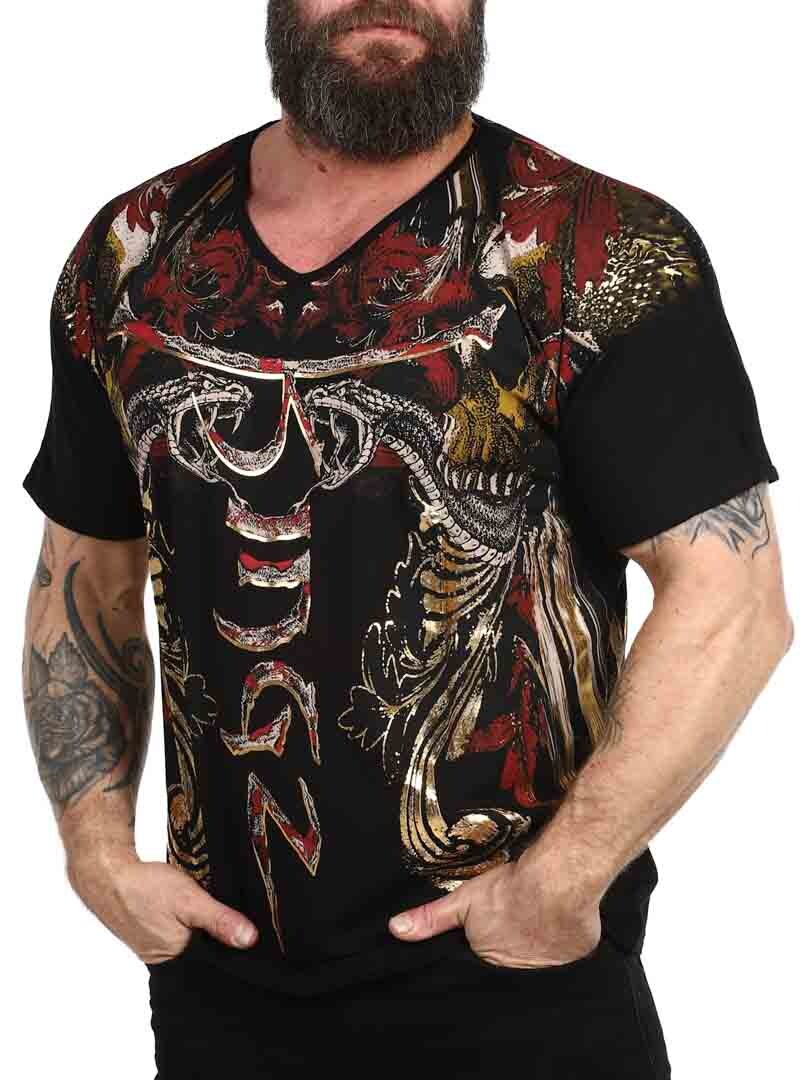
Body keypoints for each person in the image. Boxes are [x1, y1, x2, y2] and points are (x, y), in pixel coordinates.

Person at [20, 2, 793, 1077]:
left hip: (517, 985)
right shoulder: (133, 254)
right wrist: (97, 855)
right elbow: (86, 572)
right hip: (218, 993)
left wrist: (563, 881)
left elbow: (732, 599)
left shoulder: (593, 246)